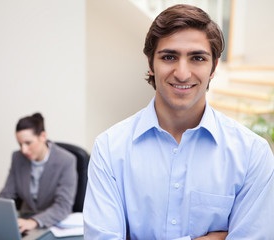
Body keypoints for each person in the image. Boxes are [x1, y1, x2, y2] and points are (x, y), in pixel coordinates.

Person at [83, 4, 274, 240]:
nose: (182, 73)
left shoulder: (252, 154)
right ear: (151, 65)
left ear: (213, 67)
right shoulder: (110, 150)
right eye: (169, 57)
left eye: (197, 58)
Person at [0, 112, 78, 233]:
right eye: (20, 144)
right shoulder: (18, 158)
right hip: (25, 221)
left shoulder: (66, 160)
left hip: (54, 224)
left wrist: (34, 222)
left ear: (43, 136)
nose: (24, 150)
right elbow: (7, 195)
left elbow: (63, 206)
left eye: (28, 143)